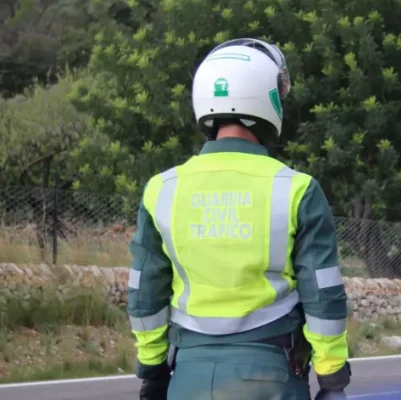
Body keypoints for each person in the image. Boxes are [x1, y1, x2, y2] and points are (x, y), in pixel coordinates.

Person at [127, 38, 351, 400]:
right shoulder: (297, 189)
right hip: (271, 378)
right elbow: (323, 294)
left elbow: (144, 294)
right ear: (267, 99)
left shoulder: (161, 190)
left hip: (188, 378)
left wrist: (152, 371)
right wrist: (332, 379)